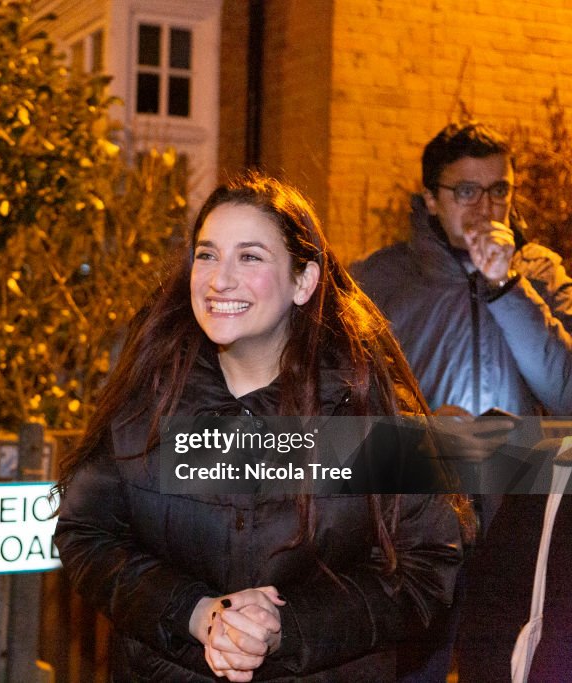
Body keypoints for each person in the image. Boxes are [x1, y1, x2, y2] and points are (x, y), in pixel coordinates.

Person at [54, 172, 465, 681]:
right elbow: (87, 534)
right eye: (207, 255)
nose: (219, 279)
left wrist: (286, 631)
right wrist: (197, 614)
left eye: (249, 256)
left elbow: (425, 567)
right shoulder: (151, 401)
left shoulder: (365, 410)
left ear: (303, 281)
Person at [352, 121, 572, 681]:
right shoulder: (380, 282)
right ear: (430, 198)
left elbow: (565, 392)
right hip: (417, 529)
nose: (486, 207)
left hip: (517, 527)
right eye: (466, 191)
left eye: (500, 189)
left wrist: (506, 287)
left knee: (500, 665)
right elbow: (342, 401)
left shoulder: (541, 275)